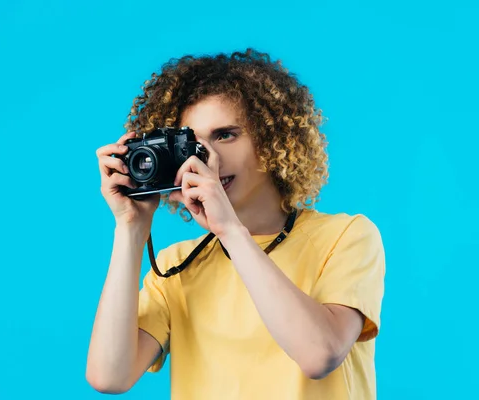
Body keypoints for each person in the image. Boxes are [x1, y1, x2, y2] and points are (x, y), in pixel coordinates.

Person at [86, 49, 385, 399]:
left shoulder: (346, 236)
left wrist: (229, 230)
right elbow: (109, 376)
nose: (206, 157)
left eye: (225, 135)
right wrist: (131, 227)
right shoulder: (175, 268)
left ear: (273, 141)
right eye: (192, 143)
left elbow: (320, 354)